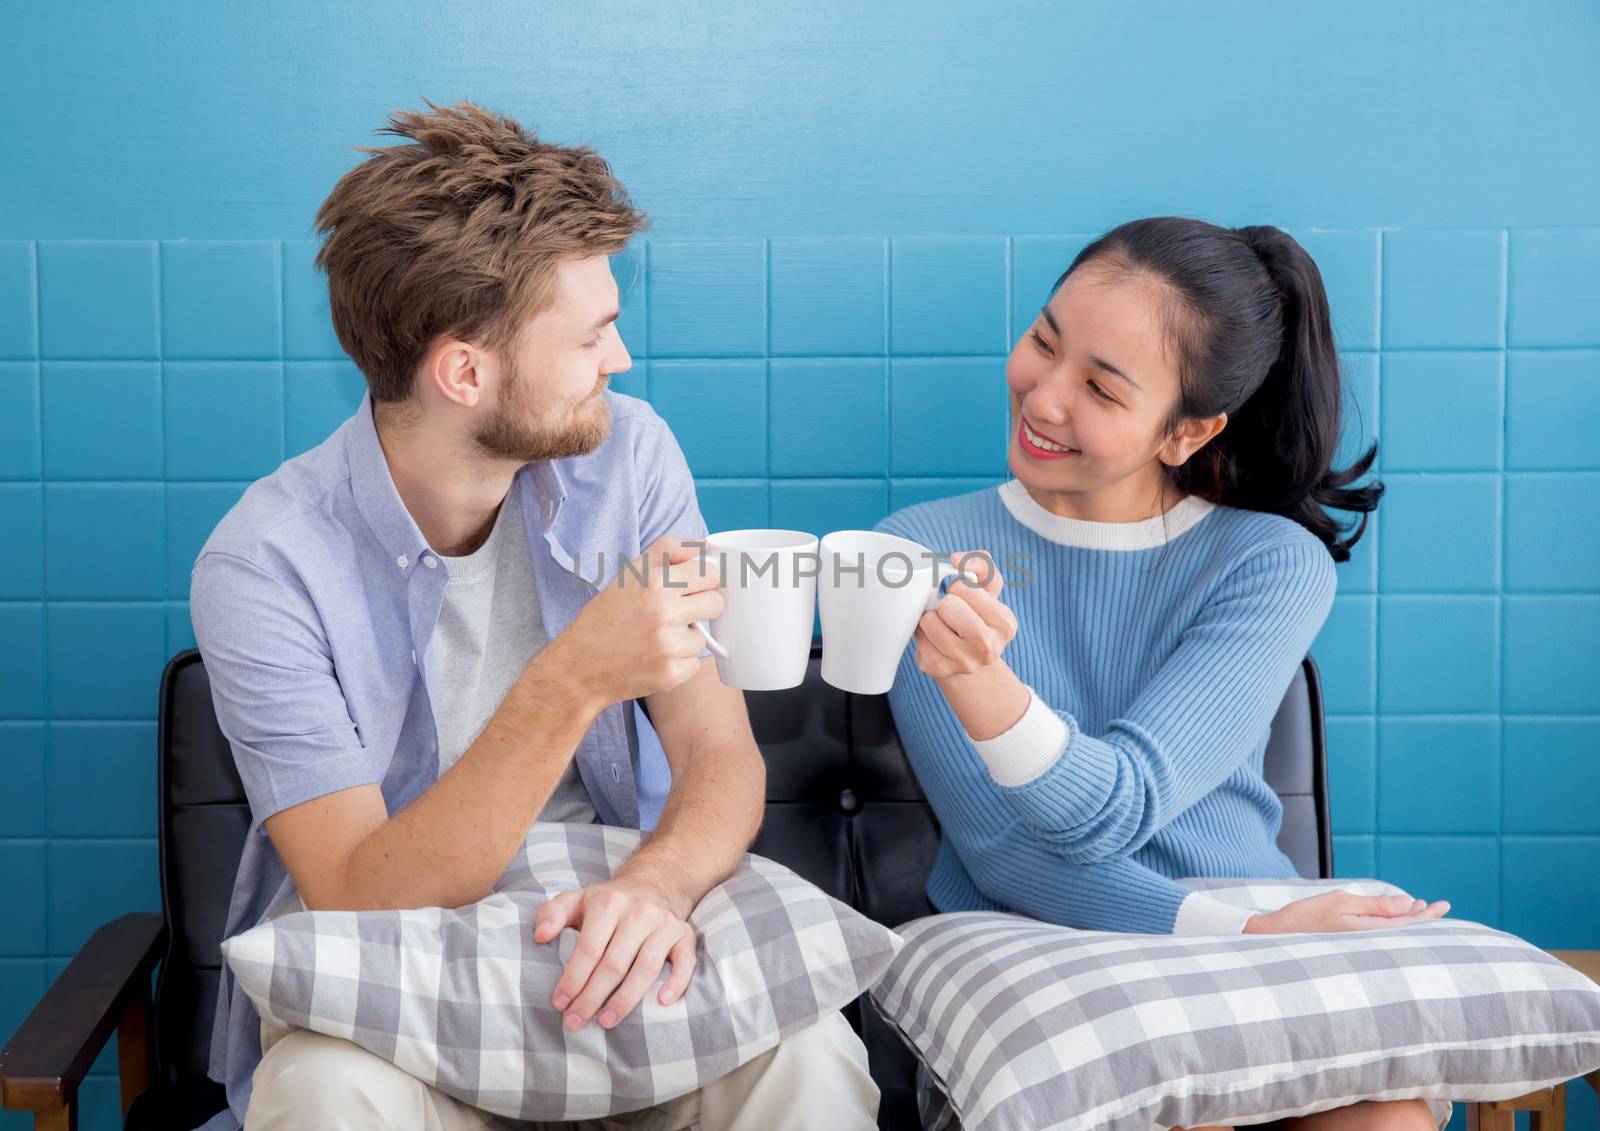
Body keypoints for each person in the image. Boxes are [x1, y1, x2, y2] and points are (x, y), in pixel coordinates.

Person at [189, 99, 878, 1131]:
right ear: (464, 371)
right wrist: (570, 680)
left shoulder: (631, 459)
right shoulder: (262, 566)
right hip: (396, 976)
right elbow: (357, 893)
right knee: (321, 1096)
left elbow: (718, 758)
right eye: (594, 333)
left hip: (606, 927)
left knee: (811, 1061)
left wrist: (654, 885)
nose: (621, 361)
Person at [876, 217, 1450, 1131]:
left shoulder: (1268, 562)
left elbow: (1127, 798)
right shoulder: (916, 553)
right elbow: (1007, 850)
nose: (1044, 397)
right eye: (1044, 341)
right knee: (1178, 1113)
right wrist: (1246, 932)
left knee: (1387, 1118)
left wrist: (1252, 932)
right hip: (1041, 941)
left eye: (1101, 387)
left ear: (1188, 430)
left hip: (1242, 931)